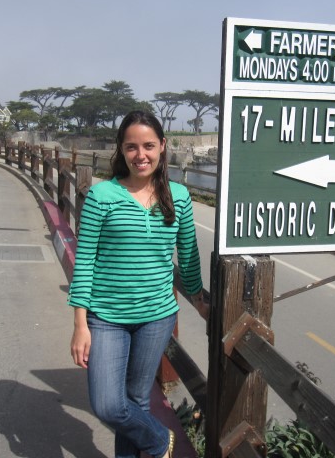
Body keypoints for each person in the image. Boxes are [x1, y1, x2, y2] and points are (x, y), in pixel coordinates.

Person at [68, 110, 207, 458]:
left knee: (136, 401)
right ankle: (162, 441)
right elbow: (84, 262)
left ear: (162, 146)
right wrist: (80, 324)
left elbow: (188, 255)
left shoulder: (178, 196)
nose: (140, 155)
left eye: (148, 145)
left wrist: (199, 298)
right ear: (121, 149)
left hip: (156, 317)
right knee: (108, 405)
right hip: (106, 317)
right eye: (131, 147)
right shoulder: (103, 197)